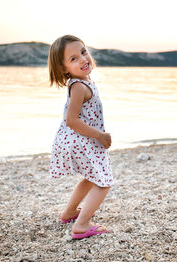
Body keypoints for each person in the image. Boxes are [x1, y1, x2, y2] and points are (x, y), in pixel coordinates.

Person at [48, 35, 113, 239]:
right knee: (103, 182)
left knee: (90, 177)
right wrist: (100, 136)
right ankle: (82, 224)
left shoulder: (84, 83)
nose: (83, 59)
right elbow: (72, 120)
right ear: (64, 69)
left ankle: (69, 213)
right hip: (80, 141)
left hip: (78, 141)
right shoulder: (79, 87)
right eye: (73, 59)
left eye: (83, 52)